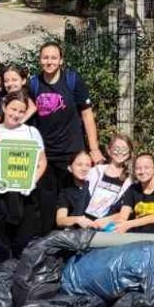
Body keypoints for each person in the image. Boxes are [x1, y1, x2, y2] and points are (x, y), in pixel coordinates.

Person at [31, 41, 101, 234]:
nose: (49, 61)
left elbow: (87, 115)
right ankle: (47, 242)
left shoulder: (72, 80)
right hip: (45, 155)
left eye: (53, 57)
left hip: (71, 152)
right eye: (45, 57)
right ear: (40, 60)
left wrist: (93, 148)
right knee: (46, 202)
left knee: (73, 199)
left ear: (61, 60)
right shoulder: (34, 84)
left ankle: (74, 241)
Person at [0, 89, 48, 262]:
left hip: (25, 195)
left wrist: (32, 181)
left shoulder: (32, 132)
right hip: (0, 196)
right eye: (13, 109)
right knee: (1, 245)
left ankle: (21, 283)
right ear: (4, 107)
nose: (16, 114)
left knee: (23, 243)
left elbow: (42, 162)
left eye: (21, 111)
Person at [121, 152, 154, 232]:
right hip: (137, 233)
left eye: (146, 168)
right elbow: (123, 216)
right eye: (138, 168)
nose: (142, 171)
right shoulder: (132, 189)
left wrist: (128, 224)